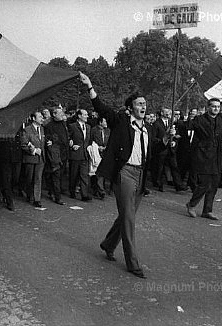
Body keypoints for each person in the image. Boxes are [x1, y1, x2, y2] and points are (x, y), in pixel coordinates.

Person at [80, 72, 150, 279]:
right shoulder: (120, 121)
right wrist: (90, 86)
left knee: (126, 216)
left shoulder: (147, 128)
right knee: (129, 219)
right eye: (139, 103)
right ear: (131, 107)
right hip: (125, 173)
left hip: (141, 174)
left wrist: (167, 141)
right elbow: (101, 108)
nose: (143, 106)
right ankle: (133, 263)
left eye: (145, 103)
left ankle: (108, 244)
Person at [21, 111, 46, 208]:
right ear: (34, 118)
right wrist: (34, 150)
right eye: (40, 117)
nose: (42, 118)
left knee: (38, 179)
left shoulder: (42, 129)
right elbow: (24, 144)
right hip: (31, 158)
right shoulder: (27, 130)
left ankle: (37, 199)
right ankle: (29, 195)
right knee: (29, 178)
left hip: (40, 159)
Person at [68, 109, 92, 201]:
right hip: (75, 154)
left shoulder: (88, 127)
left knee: (84, 175)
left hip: (85, 154)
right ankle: (72, 191)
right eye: (85, 114)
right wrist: (72, 145)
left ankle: (84, 195)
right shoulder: (72, 126)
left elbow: (88, 140)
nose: (87, 116)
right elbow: (68, 138)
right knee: (73, 174)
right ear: (79, 116)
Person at [89, 116, 110, 199]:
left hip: (105, 153)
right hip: (96, 153)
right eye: (104, 121)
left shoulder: (108, 130)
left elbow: (110, 141)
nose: (106, 123)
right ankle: (99, 190)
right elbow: (90, 140)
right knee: (96, 172)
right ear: (100, 122)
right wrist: (97, 147)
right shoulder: (93, 130)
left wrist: (106, 147)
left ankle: (100, 189)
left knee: (101, 172)